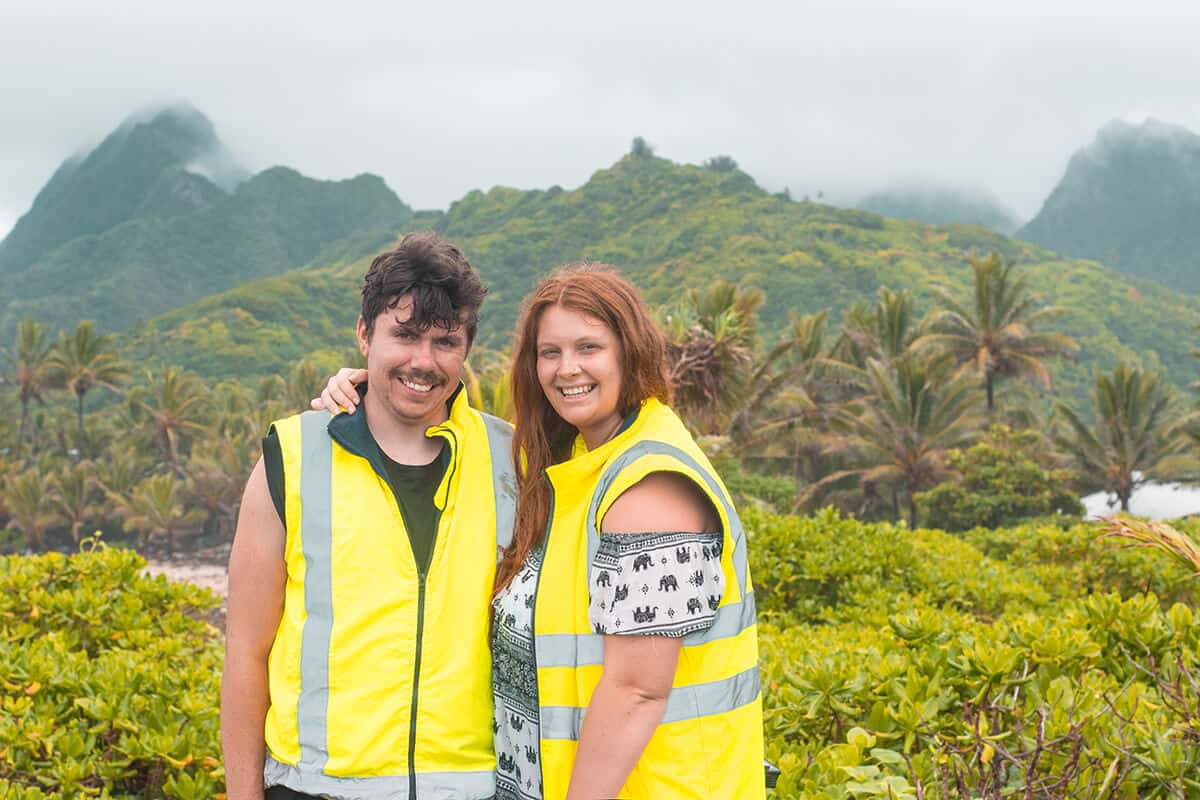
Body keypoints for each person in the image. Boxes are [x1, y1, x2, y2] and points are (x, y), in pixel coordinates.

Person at [319, 264, 765, 799]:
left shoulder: (649, 485)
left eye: (589, 348)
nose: (566, 369)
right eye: (549, 352)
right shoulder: (577, 464)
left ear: (631, 352)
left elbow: (636, 692)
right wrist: (369, 386)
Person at [221, 232, 516, 800]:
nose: (422, 361)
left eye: (445, 341)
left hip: (472, 788)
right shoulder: (291, 456)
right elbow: (246, 652)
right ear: (363, 335)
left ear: (467, 349)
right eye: (403, 335)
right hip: (315, 788)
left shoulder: (511, 460)